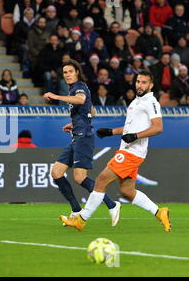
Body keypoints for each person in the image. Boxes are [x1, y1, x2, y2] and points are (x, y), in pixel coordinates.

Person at [61, 70, 171, 232]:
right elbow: (130, 128)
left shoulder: (151, 101)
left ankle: (81, 220)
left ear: (151, 85)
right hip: (129, 150)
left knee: (101, 180)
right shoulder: (136, 102)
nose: (139, 85)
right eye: (138, 81)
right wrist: (111, 132)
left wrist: (135, 136)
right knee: (127, 191)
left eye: (144, 82)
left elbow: (158, 127)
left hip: (131, 152)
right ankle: (159, 212)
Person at [43, 59, 120, 225]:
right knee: (56, 172)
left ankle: (112, 204)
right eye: (65, 72)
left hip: (84, 137)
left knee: (80, 178)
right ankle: (76, 210)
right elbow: (92, 111)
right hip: (77, 135)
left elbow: (81, 100)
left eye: (70, 71)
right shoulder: (76, 89)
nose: (68, 74)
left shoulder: (79, 86)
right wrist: (76, 122)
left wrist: (55, 96)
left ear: (77, 72)